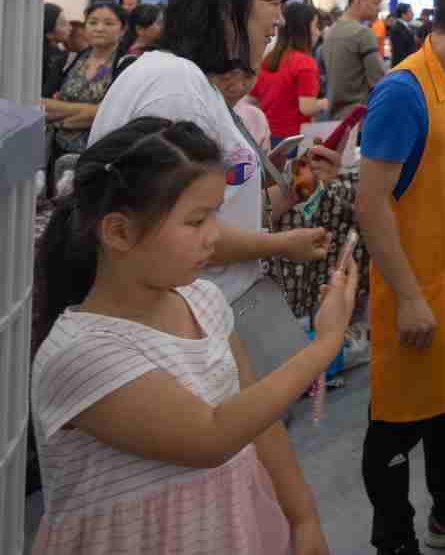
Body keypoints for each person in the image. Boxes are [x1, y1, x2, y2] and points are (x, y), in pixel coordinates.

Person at [30, 117, 358, 555]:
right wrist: (325, 344)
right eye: (197, 220)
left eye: (215, 214)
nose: (213, 237)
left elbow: (257, 419)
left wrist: (303, 517)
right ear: (119, 231)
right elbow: (214, 435)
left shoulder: (203, 300)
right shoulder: (82, 353)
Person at [88, 0, 340, 385]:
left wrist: (295, 186)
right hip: (186, 331)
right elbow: (169, 232)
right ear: (228, 5)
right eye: (273, 1)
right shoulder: (175, 87)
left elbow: (225, 214)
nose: (279, 18)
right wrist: (283, 245)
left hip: (211, 313)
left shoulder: (190, 82)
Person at [354, 0, 445, 554]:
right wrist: (407, 297)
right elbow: (370, 204)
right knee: (396, 425)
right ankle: (394, 536)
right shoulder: (404, 91)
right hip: (414, 290)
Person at [43, 4, 127, 155]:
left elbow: (111, 112)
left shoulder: (127, 64)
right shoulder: (68, 60)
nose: (99, 28)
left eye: (109, 23)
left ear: (123, 30)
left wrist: (59, 118)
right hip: (58, 151)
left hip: (102, 154)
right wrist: (90, 110)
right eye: (93, 22)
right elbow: (43, 104)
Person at [253, 2, 328, 146]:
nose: (318, 32)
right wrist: (324, 103)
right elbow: (306, 107)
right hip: (293, 139)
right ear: (303, 29)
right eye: (315, 26)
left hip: (266, 135)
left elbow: (254, 98)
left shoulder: (269, 59)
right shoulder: (305, 63)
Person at [324, 0, 386, 120]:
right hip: (360, 118)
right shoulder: (362, 33)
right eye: (375, 3)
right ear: (358, 1)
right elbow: (379, 80)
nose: (379, 8)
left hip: (334, 118)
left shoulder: (330, 31)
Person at [42, 3, 70, 100]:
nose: (70, 27)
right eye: (63, 24)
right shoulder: (53, 59)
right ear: (49, 33)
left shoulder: (58, 51)